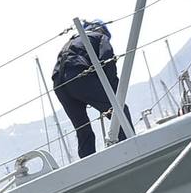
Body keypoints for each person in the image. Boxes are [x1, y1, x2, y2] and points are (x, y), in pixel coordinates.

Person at [50, 19, 134, 158]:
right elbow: (107, 59)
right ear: (102, 30)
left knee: (83, 130)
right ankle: (130, 150)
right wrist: (115, 92)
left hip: (59, 84)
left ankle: (88, 164)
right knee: (120, 111)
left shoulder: (70, 43)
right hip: (79, 76)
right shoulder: (100, 37)